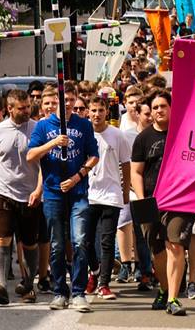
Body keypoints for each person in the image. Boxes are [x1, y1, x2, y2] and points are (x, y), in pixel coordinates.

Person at [27, 85, 99, 311]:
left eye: (70, 99)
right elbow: (30, 155)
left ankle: (78, 292)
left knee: (79, 241)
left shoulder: (84, 124)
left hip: (78, 192)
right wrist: (52, 143)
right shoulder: (43, 125)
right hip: (52, 192)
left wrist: (78, 177)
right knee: (57, 245)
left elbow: (94, 156)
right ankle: (60, 291)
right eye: (63, 99)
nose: (67, 103)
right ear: (55, 101)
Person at [131, 90, 194, 317]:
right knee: (157, 251)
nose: (159, 110)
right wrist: (142, 198)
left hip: (180, 200)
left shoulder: (185, 134)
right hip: (151, 201)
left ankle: (173, 298)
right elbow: (136, 172)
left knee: (175, 245)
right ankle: (165, 288)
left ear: (171, 108)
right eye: (155, 107)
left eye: (163, 106)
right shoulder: (143, 139)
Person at [0, 88, 42, 306]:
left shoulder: (38, 129)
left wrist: (39, 190)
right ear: (10, 108)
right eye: (22, 108)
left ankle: (28, 282)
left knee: (30, 243)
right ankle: (1, 286)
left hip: (30, 195)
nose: (27, 111)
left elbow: (45, 164)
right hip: (3, 192)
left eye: (28, 107)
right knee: (2, 238)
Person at [85, 95, 132, 299]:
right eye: (93, 110)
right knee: (84, 240)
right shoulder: (84, 133)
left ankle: (104, 284)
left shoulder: (117, 135)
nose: (97, 114)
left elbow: (126, 163)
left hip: (111, 194)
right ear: (88, 111)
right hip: (88, 194)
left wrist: (124, 191)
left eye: (100, 110)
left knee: (106, 241)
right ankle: (94, 271)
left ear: (106, 112)